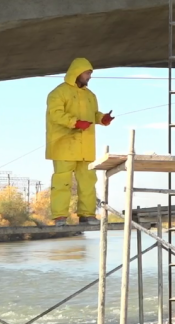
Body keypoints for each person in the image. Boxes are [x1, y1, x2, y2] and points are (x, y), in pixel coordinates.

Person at [46, 58, 113, 226]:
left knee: (88, 182)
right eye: (87, 73)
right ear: (77, 72)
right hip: (64, 146)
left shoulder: (91, 96)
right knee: (62, 182)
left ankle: (87, 215)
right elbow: (55, 114)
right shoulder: (58, 93)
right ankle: (60, 216)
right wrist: (74, 122)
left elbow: (93, 114)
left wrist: (102, 118)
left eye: (90, 73)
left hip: (86, 148)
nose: (89, 76)